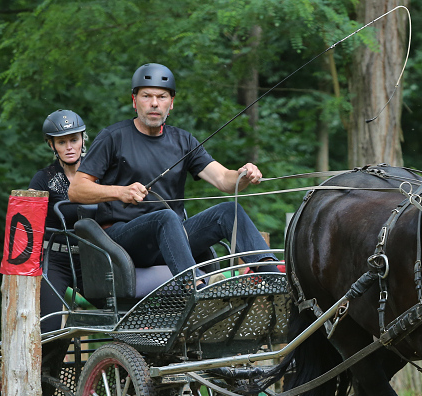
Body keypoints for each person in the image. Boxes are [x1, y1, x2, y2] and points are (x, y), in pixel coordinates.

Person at [68, 62, 278, 283]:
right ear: (134, 101)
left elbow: (225, 181)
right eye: (146, 96)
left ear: (172, 103)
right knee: (165, 217)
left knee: (228, 211)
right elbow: (77, 190)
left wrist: (243, 174)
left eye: (162, 97)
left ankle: (274, 278)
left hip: (173, 239)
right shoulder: (113, 137)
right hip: (121, 241)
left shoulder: (183, 140)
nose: (154, 104)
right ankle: (196, 285)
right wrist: (120, 192)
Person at [30, 109, 88, 333]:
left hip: (91, 256)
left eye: (74, 139)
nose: (70, 147)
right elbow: (27, 224)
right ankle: (47, 368)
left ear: (82, 139)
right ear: (52, 145)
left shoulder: (99, 174)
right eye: (62, 142)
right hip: (54, 259)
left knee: (121, 313)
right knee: (51, 326)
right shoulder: (43, 178)